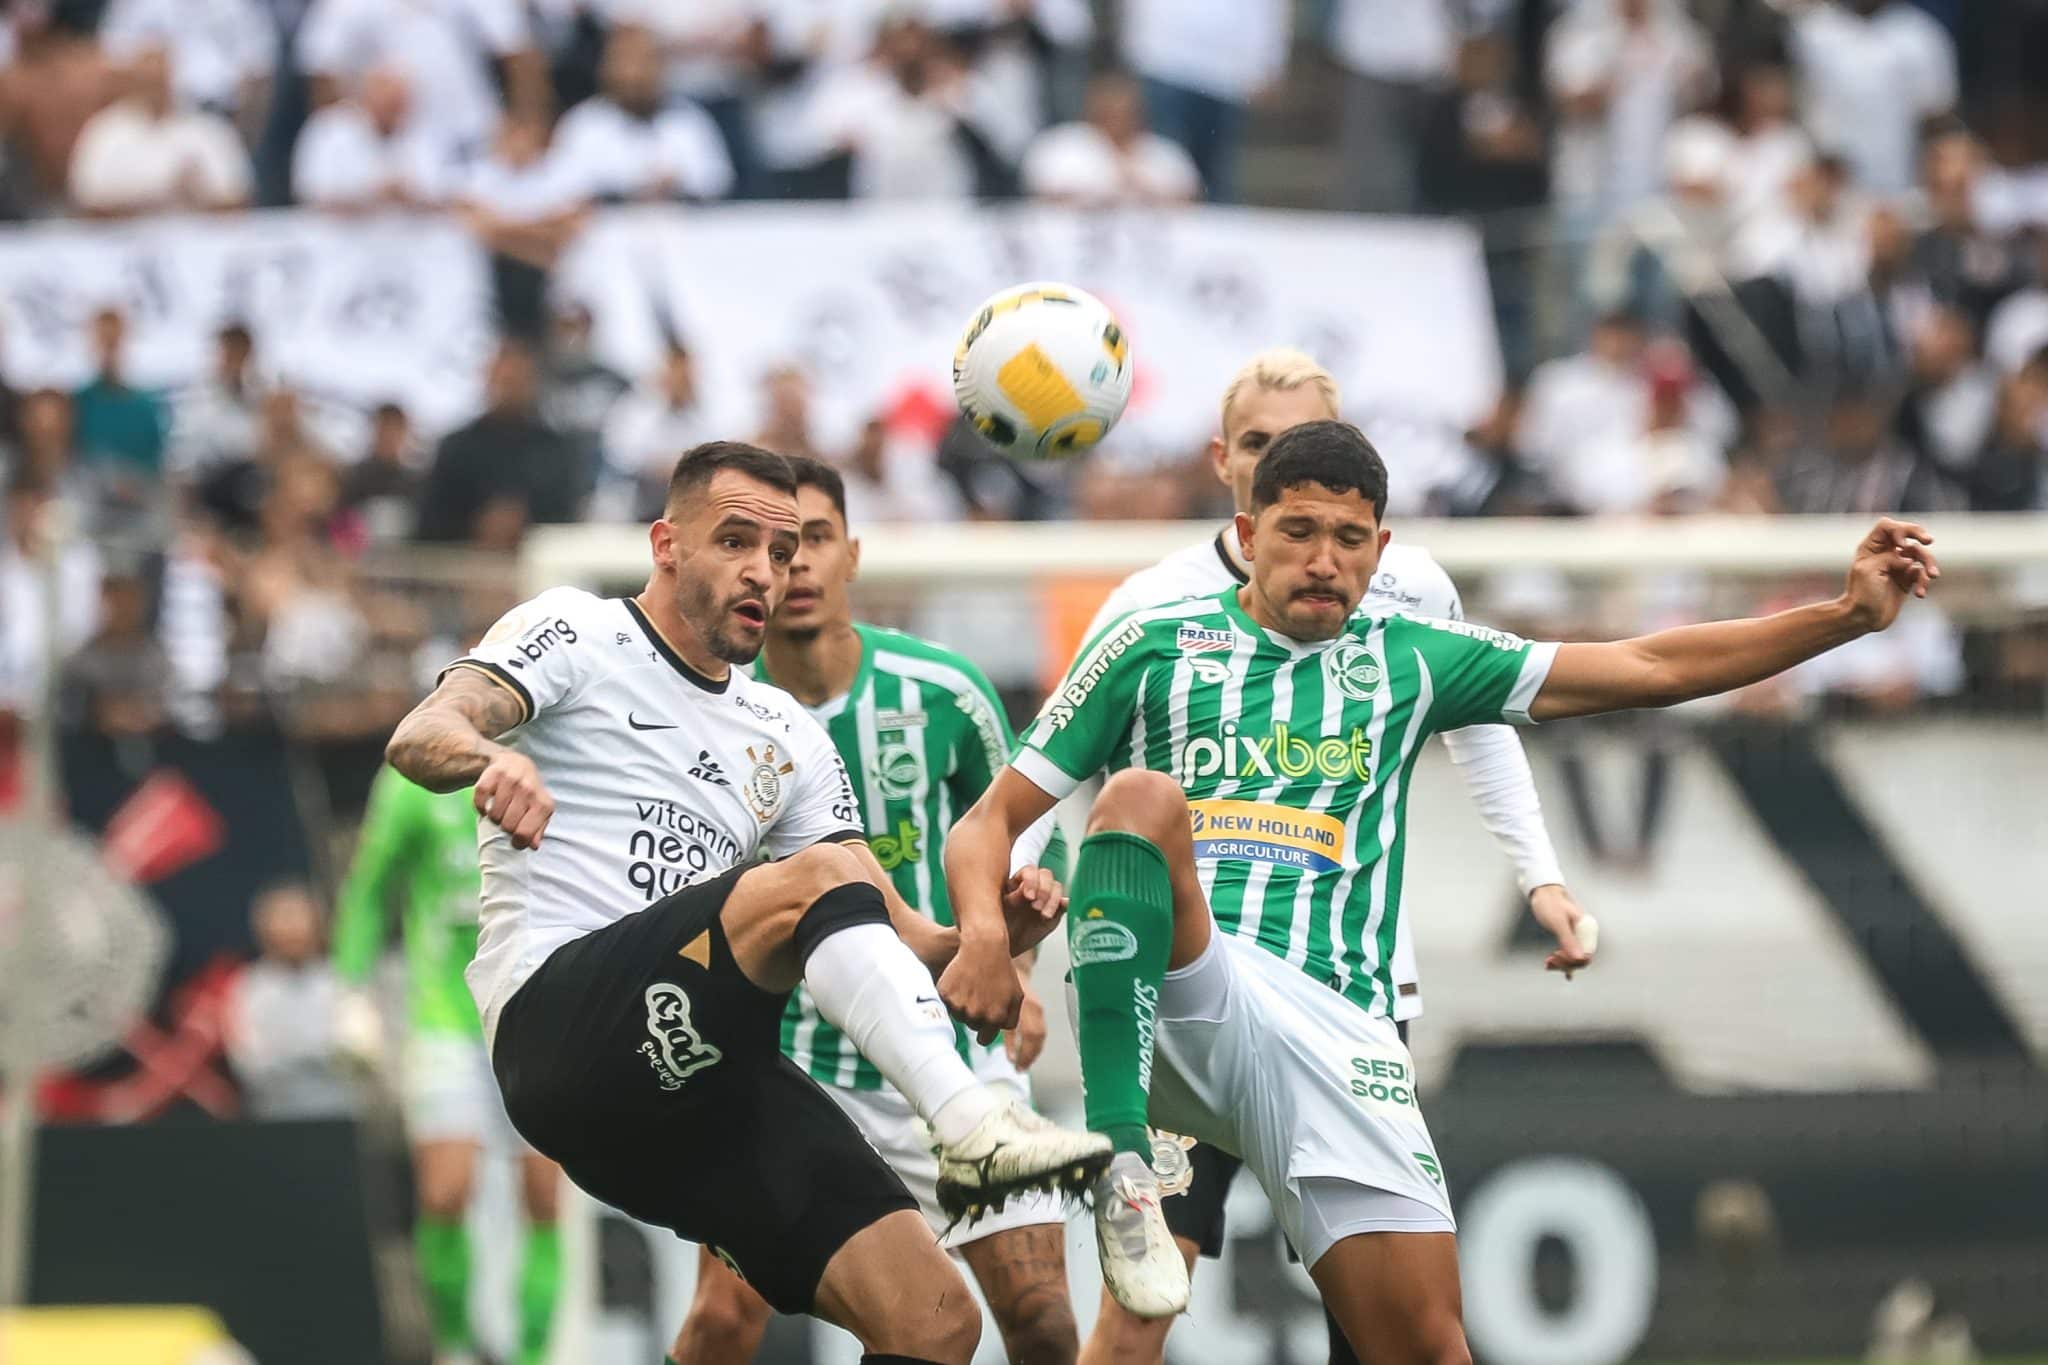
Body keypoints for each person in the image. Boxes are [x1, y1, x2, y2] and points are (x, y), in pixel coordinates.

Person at [945, 420, 1939, 1351]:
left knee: (1426, 1345)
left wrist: (1846, 616)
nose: (1322, 559)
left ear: (1380, 551)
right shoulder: (1153, 644)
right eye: (1296, 531)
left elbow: (1641, 661)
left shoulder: (1412, 659)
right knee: (1140, 800)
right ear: (1247, 534)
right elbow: (987, 823)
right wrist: (985, 939)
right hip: (1189, 989)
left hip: (1341, 1029)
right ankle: (1120, 1160)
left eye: (1347, 537)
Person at [383, 442, 1110, 1364]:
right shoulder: (577, 629)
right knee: (808, 881)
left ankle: (968, 1123)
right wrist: (493, 758)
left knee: (934, 1322)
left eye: (782, 549)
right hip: (562, 1031)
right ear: (666, 544)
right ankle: (971, 1125)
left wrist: (986, 938)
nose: (764, 571)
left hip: (689, 1071)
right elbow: (425, 728)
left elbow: (881, 920)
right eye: (736, 541)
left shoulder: (788, 736)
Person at [1065, 350, 1588, 1362]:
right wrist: (1038, 895)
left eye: (1309, 443)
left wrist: (1542, 877)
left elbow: (1481, 726)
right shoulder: (1146, 605)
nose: (1287, 465)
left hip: (1344, 996)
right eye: (1261, 446)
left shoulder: (1402, 591)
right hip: (1188, 989)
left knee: (1378, 1328)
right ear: (1227, 465)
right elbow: (1061, 762)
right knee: (1139, 1301)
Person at [679, 455, 1079, 1364]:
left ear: (853, 554)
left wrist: (1016, 966)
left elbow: (1020, 833)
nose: (801, 566)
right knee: (722, 1324)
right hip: (794, 1072)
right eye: (779, 549)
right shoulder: (716, 718)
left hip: (956, 1056)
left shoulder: (942, 688)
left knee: (1045, 1323)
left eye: (816, 539)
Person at [333, 766, 563, 1365]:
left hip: (539, 1015)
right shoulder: (416, 778)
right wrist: (352, 991)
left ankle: (531, 1356)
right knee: (444, 1191)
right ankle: (455, 1349)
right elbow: (370, 886)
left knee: (543, 1197)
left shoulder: (563, 759)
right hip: (445, 1016)